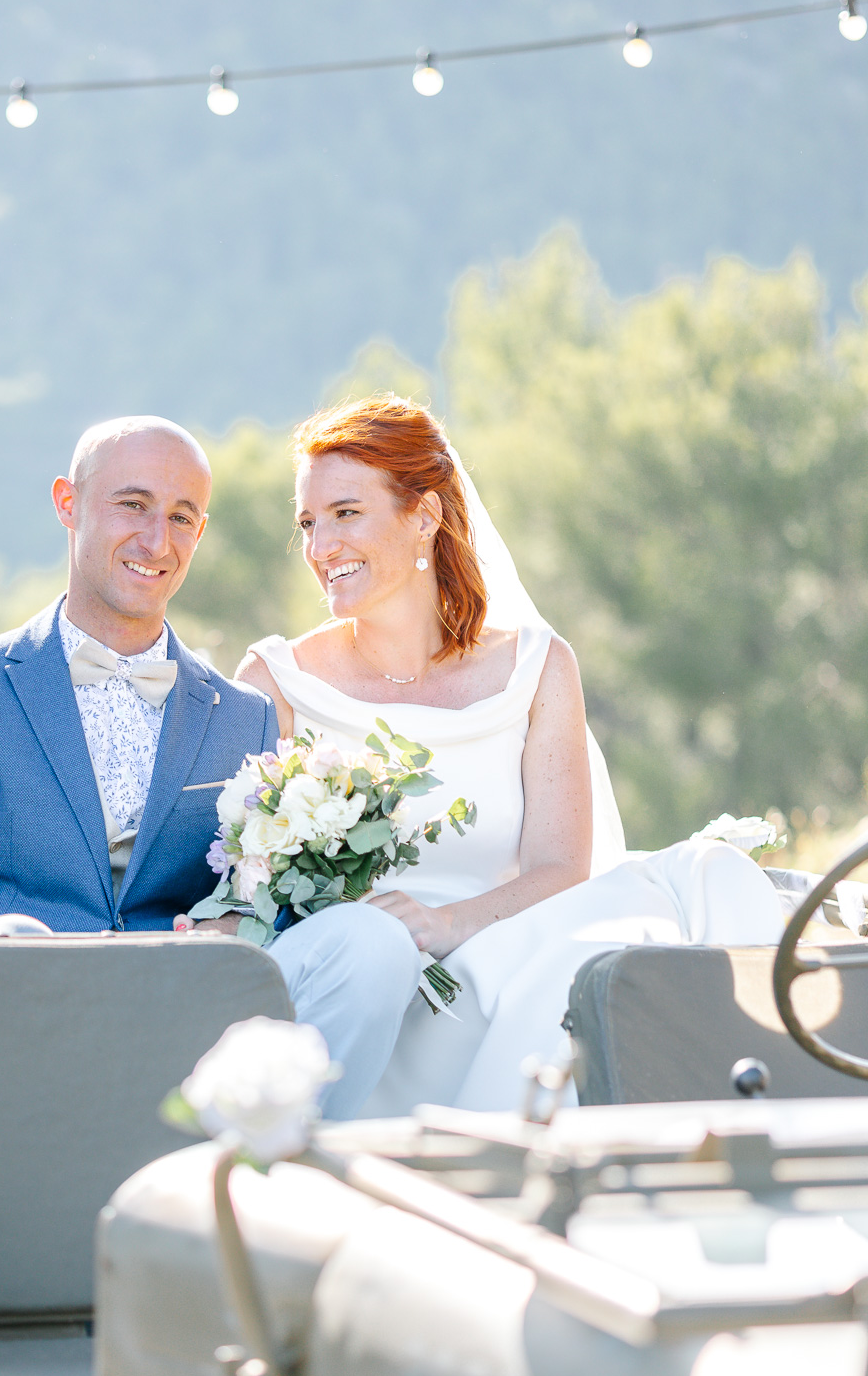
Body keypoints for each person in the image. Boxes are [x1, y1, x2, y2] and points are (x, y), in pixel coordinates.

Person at [232, 395, 784, 1113]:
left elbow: (562, 867)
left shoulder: (539, 668)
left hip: (507, 947)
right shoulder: (276, 682)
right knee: (572, 961)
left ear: (424, 515)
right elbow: (243, 883)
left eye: (345, 514)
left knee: (689, 887)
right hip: (374, 1004)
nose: (319, 547)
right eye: (308, 523)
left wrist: (452, 924)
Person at [0, 415, 421, 1117]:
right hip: (16, 1028)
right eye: (132, 505)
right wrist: (14, 953)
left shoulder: (243, 714)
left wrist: (244, 926)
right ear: (69, 503)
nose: (157, 541)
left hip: (191, 1030)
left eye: (182, 518)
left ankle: (276, 1163)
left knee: (371, 940)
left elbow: (260, 902)